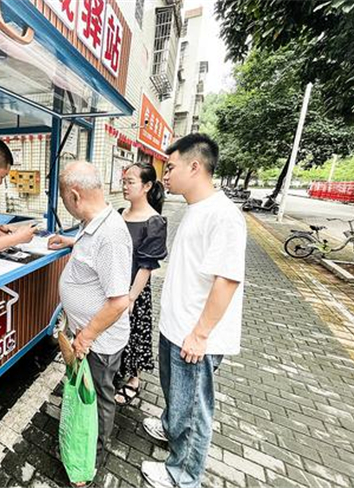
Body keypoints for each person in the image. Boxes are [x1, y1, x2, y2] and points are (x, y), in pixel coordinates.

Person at [141, 133, 247, 488]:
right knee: (178, 398)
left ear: (195, 166)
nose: (164, 175)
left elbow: (227, 281)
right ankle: (171, 429)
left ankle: (182, 475)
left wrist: (200, 334)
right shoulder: (195, 208)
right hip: (177, 326)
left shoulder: (224, 216)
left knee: (194, 409)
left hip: (195, 335)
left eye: (170, 167)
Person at [48, 161, 132, 478]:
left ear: (74, 194)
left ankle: (89, 459)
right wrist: (70, 242)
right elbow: (93, 257)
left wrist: (86, 336)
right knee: (87, 393)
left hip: (99, 341)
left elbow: (119, 301)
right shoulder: (94, 223)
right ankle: (82, 444)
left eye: (65, 200)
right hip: (91, 336)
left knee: (96, 397)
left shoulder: (110, 234)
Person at [114, 163, 167, 406]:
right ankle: (115, 368)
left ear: (146, 186)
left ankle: (134, 379)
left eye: (130, 182)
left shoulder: (154, 221)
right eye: (124, 181)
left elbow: (147, 266)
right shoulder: (119, 213)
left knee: (135, 332)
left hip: (134, 289)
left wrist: (132, 298)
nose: (125, 186)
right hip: (113, 284)